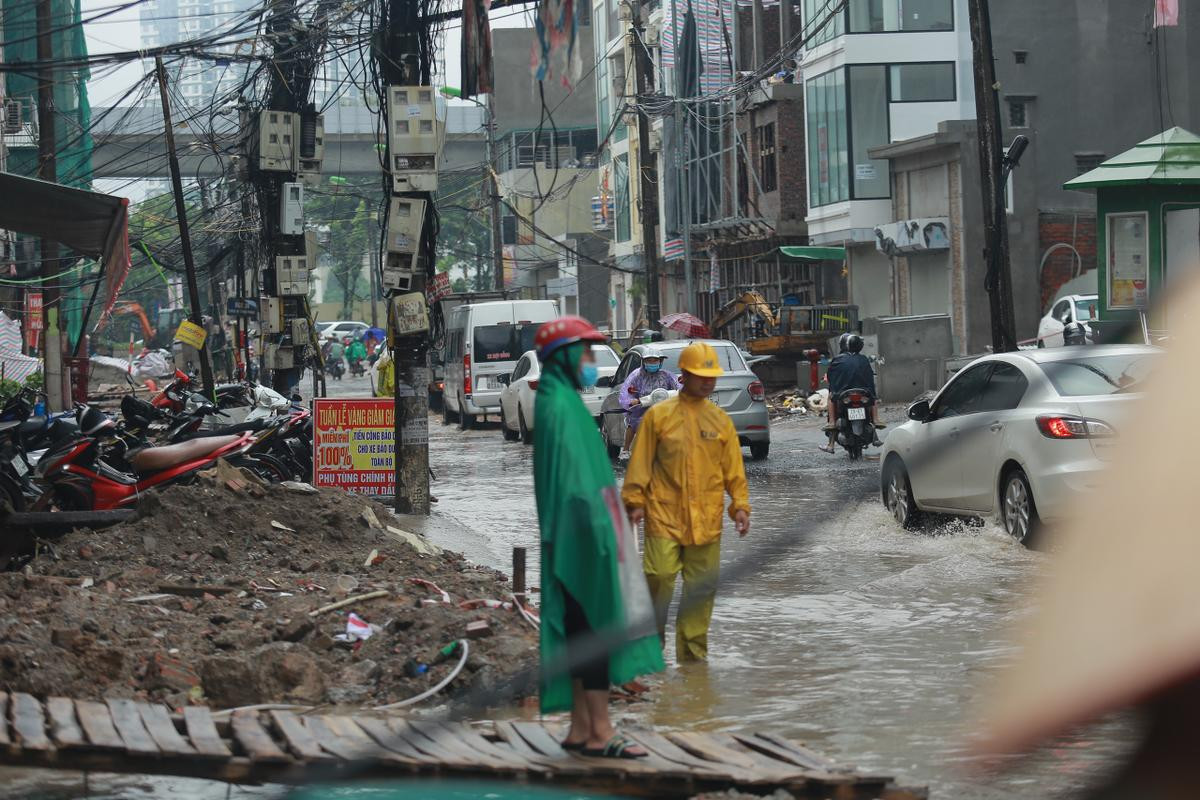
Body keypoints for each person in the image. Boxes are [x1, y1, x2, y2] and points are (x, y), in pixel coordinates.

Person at [532, 315, 664, 759]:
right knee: (596, 631)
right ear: (567, 356)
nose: (591, 361)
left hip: (573, 537)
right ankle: (600, 731)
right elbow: (575, 484)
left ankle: (580, 728)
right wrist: (602, 536)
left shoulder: (557, 400)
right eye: (585, 353)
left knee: (577, 629)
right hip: (584, 540)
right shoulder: (561, 407)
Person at [623, 341, 751, 662]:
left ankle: (693, 665)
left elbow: (733, 469)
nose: (708, 382)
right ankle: (652, 648)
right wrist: (634, 500)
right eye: (700, 375)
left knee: (700, 592)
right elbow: (640, 462)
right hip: (663, 516)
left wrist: (740, 506)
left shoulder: (720, 421)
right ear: (683, 375)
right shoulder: (659, 418)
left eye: (712, 377)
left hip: (706, 523)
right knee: (660, 577)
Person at [822, 333, 883, 453]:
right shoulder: (863, 359)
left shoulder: (837, 359)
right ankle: (876, 420)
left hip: (843, 394)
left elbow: (830, 376)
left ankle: (832, 425)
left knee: (830, 397)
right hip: (863, 393)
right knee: (873, 397)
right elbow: (870, 376)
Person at [617, 352, 680, 458]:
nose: (652, 363)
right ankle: (626, 450)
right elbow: (627, 392)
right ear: (644, 362)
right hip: (642, 408)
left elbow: (679, 387)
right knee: (633, 422)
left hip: (664, 408)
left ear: (660, 362)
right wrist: (632, 401)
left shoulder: (666, 375)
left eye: (655, 361)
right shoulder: (636, 376)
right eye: (649, 361)